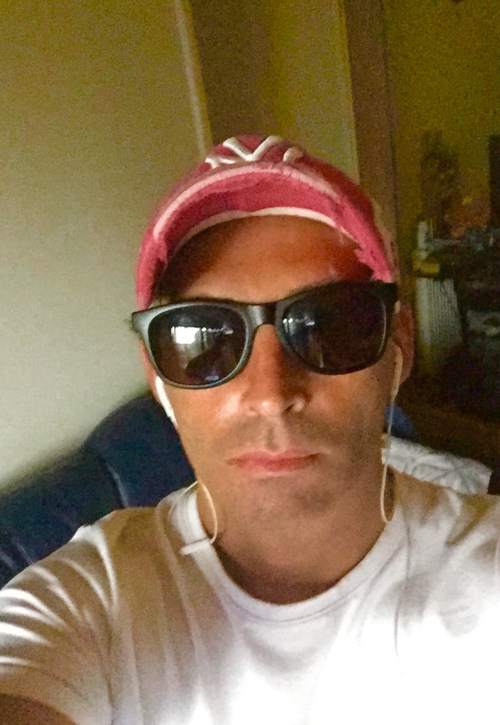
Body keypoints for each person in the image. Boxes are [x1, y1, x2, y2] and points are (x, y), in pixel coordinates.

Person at [0, 134, 498, 725]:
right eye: (204, 340)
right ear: (158, 377)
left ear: (400, 349)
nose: (270, 395)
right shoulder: (85, 605)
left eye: (329, 327)